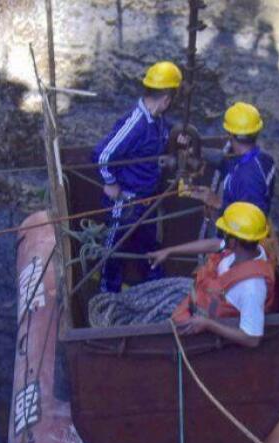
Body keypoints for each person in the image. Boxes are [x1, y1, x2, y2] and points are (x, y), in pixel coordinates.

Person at [91, 201, 272, 349]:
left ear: (235, 240)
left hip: (203, 325)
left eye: (226, 233)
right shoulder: (243, 250)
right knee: (132, 303)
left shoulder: (251, 288)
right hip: (196, 301)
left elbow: (252, 338)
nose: (223, 236)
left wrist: (208, 325)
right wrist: (169, 251)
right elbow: (213, 244)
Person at [91, 60, 182, 293]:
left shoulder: (157, 119)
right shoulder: (136, 124)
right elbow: (103, 155)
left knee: (148, 242)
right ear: (166, 100)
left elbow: (164, 131)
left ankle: (153, 282)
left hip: (146, 199)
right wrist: (110, 183)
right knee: (115, 246)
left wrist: (177, 136)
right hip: (126, 200)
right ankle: (107, 291)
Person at [187, 102, 276, 222]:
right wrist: (200, 152)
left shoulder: (247, 179)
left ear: (229, 134)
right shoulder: (263, 159)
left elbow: (249, 222)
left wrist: (217, 202)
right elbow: (231, 164)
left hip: (235, 235)